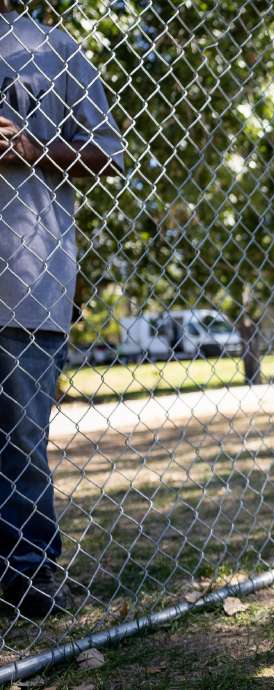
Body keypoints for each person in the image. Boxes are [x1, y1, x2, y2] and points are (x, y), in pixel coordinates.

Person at [1, 2, 124, 618]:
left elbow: (108, 154)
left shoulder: (53, 47)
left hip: (23, 277)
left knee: (20, 439)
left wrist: (29, 145)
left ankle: (29, 576)